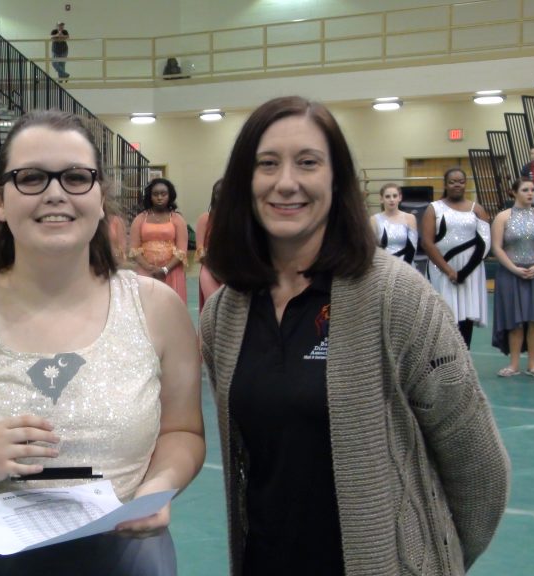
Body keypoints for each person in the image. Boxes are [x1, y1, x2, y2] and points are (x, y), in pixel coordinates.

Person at [200, 96, 509, 576]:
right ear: (245, 182)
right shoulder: (224, 315)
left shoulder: (397, 296)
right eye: (267, 163)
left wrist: (430, 561)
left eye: (308, 162)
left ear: (337, 179)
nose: (286, 182)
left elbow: (480, 469)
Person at [0, 109, 204, 575]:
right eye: (32, 178)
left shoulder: (157, 309)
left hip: (124, 558)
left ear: (101, 197)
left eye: (76, 178)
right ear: (0, 200)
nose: (55, 193)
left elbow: (183, 432)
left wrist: (158, 487)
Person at [490, 178, 534, 377]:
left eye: (533, 190)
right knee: (515, 320)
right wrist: (514, 268)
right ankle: (514, 365)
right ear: (514, 192)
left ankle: (533, 364)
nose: (530, 193)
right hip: (510, 274)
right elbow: (497, 247)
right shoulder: (502, 217)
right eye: (525, 190)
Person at [421, 167, 491, 348]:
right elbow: (427, 243)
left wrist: (463, 273)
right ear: (445, 185)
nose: (457, 185)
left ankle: (464, 359)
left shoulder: (477, 209)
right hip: (441, 269)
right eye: (452, 182)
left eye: (461, 181)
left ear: (466, 184)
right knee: (442, 315)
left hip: (470, 270)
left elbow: (485, 243)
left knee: (465, 317)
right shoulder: (433, 208)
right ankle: (440, 359)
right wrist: (449, 271)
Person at [129, 178, 189, 304]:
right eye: (155, 194)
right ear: (150, 196)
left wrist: (165, 269)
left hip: (171, 271)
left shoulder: (177, 219)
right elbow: (133, 249)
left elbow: (182, 250)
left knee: (170, 307)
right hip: (145, 271)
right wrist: (149, 268)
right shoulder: (140, 219)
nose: (159, 197)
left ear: (170, 196)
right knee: (148, 307)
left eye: (163, 194)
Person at [369, 182, 418, 264]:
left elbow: (412, 248)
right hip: (383, 265)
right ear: (381, 199)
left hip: (406, 265)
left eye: (395, 196)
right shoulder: (374, 219)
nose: (391, 199)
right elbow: (372, 249)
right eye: (387, 196)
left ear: (400, 198)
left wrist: (401, 268)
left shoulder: (410, 218)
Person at [196, 179, 223, 311]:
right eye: (218, 193)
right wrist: (214, 270)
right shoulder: (205, 219)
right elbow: (200, 250)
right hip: (209, 268)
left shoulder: (240, 219)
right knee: (212, 307)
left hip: (234, 270)